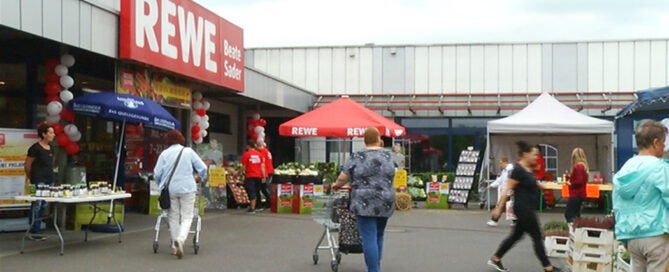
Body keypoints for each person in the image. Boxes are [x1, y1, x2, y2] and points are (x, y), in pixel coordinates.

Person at [488, 141, 561, 272]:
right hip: (523, 208)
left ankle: (496, 258)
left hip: (527, 208)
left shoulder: (528, 169)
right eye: (534, 155)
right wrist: (499, 208)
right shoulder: (518, 170)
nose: (536, 158)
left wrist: (539, 185)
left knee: (516, 235)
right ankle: (548, 267)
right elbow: (507, 189)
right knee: (537, 236)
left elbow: (529, 182)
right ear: (525, 154)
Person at [333, 127, 396, 272]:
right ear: (379, 140)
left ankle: (373, 269)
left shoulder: (357, 155)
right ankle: (375, 266)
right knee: (379, 234)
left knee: (368, 237)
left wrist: (336, 185)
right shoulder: (389, 155)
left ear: (364, 140)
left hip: (364, 201)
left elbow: (343, 178)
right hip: (386, 200)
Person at [613, 120, 669, 271]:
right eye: (663, 142)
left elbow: (618, 205)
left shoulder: (624, 169)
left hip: (632, 236)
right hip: (656, 233)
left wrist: (624, 235)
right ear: (655, 142)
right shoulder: (660, 167)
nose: (664, 147)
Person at [153, 130, 208, 259]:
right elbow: (203, 168)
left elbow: (157, 173)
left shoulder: (164, 154)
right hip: (187, 188)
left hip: (170, 189)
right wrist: (200, 177)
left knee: (173, 216)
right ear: (181, 139)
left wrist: (161, 184)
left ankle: (174, 245)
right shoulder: (188, 152)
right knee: (187, 216)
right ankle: (180, 240)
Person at [24, 124, 55, 239]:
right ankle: (33, 229)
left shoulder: (51, 147)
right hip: (38, 179)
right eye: (51, 132)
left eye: (53, 132)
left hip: (49, 179)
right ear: (44, 134)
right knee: (37, 203)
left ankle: (39, 226)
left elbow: (52, 162)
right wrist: (31, 176)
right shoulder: (35, 148)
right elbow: (27, 164)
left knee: (44, 204)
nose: (53, 135)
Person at [239, 140, 266, 214]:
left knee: (251, 191)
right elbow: (262, 166)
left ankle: (252, 208)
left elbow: (243, 166)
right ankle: (257, 206)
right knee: (256, 191)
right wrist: (263, 176)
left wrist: (238, 173)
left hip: (250, 175)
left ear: (248, 146)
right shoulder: (259, 154)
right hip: (258, 176)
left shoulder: (246, 154)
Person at [486, 157, 513, 227]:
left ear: (505, 162)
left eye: (501, 163)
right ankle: (516, 221)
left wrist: (511, 190)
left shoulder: (510, 170)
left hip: (509, 191)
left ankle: (494, 220)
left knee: (501, 206)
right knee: (509, 206)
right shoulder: (504, 171)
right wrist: (491, 185)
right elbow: (499, 180)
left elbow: (511, 181)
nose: (500, 165)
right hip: (506, 191)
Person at [564, 148, 589, 223]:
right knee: (576, 215)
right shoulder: (583, 166)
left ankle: (573, 230)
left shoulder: (578, 167)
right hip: (581, 194)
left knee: (569, 214)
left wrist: (570, 183)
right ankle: (578, 230)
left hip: (576, 194)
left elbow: (579, 181)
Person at [258, 142, 274, 209]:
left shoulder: (262, 152)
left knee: (264, 188)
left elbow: (262, 163)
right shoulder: (267, 151)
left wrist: (263, 175)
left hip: (266, 171)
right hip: (270, 170)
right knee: (265, 187)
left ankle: (269, 202)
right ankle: (269, 202)